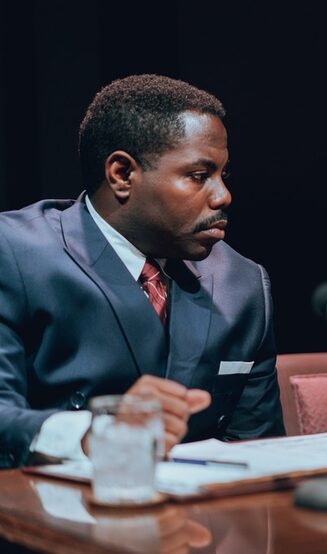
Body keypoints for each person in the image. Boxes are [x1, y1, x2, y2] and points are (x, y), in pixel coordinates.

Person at [0, 75, 283, 468]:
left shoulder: (243, 284)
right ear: (122, 174)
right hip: (50, 514)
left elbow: (258, 452)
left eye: (223, 175)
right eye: (199, 176)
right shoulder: (15, 253)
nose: (223, 195)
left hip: (202, 523)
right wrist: (94, 434)